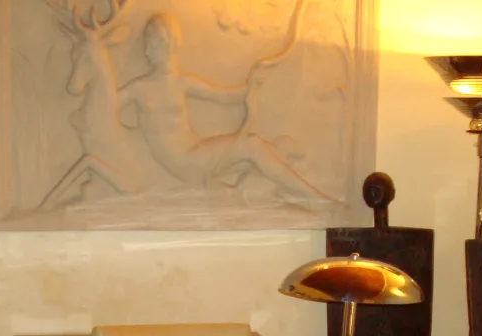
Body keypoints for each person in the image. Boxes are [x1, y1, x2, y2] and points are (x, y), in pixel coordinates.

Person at [117, 13, 331, 204]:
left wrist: (251, 84)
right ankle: (316, 199)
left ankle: (302, 195)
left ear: (170, 45)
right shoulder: (139, 88)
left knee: (259, 152)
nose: (148, 50)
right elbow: (107, 104)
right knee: (252, 146)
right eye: (148, 44)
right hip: (186, 161)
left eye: (154, 43)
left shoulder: (182, 82)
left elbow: (222, 96)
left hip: (195, 153)